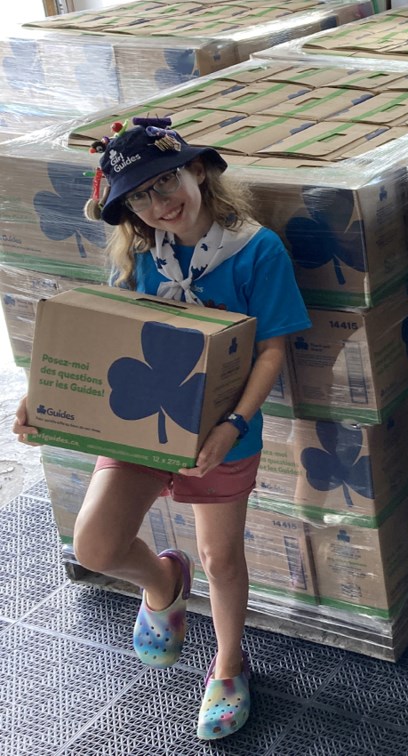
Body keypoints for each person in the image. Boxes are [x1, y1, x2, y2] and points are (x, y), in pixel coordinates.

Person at [12, 117, 311, 740]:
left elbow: (272, 352)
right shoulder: (143, 253)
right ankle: (163, 582)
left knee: (220, 556)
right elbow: (106, 335)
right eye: (141, 196)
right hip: (141, 421)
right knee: (94, 547)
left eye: (167, 179)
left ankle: (229, 664)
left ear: (198, 170)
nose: (159, 202)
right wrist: (44, 401)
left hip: (219, 432)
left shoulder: (256, 250)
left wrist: (232, 426)